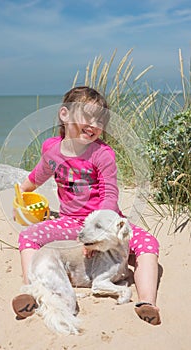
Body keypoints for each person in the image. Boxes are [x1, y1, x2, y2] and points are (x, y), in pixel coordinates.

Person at [12, 86, 161, 325]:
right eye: (88, 117)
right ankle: (32, 290)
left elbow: (109, 196)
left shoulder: (102, 154)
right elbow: (38, 175)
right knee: (28, 236)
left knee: (148, 244)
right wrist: (21, 196)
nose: (94, 125)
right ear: (65, 115)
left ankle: (147, 302)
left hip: (104, 222)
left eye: (100, 121)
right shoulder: (52, 149)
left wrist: (97, 235)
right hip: (71, 222)